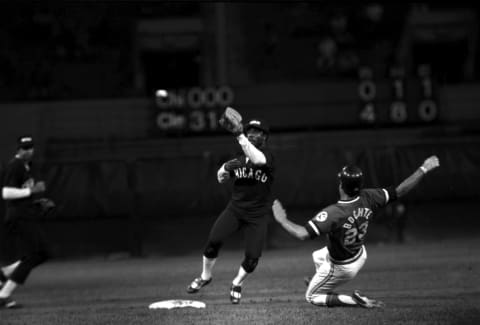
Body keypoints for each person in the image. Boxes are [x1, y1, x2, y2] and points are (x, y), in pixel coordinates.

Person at [272, 155, 440, 308]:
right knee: (317, 255)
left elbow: (303, 234)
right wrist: (423, 168)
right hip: (359, 253)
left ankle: (354, 300)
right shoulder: (369, 197)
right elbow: (400, 190)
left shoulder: (335, 213)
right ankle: (322, 284)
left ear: (341, 186)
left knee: (312, 297)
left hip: (341, 266)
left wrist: (282, 220)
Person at [187, 118, 274, 304]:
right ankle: (205, 276)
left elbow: (258, 161)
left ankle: (237, 283)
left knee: (252, 259)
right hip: (235, 210)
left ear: (265, 137)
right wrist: (224, 168)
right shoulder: (240, 159)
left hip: (257, 215)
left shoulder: (268, 156)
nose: (252, 133)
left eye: (257, 131)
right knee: (213, 241)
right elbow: (221, 178)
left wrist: (239, 135)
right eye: (249, 130)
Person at [0, 136, 51, 309]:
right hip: (18, 217)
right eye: (24, 147)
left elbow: (20, 196)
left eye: (30, 147)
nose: (28, 150)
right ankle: (3, 295)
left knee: (41, 253)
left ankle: (4, 273)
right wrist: (32, 191)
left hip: (24, 214)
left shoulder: (25, 167)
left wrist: (36, 203)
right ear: (18, 150)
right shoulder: (15, 165)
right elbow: (6, 193)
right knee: (36, 254)